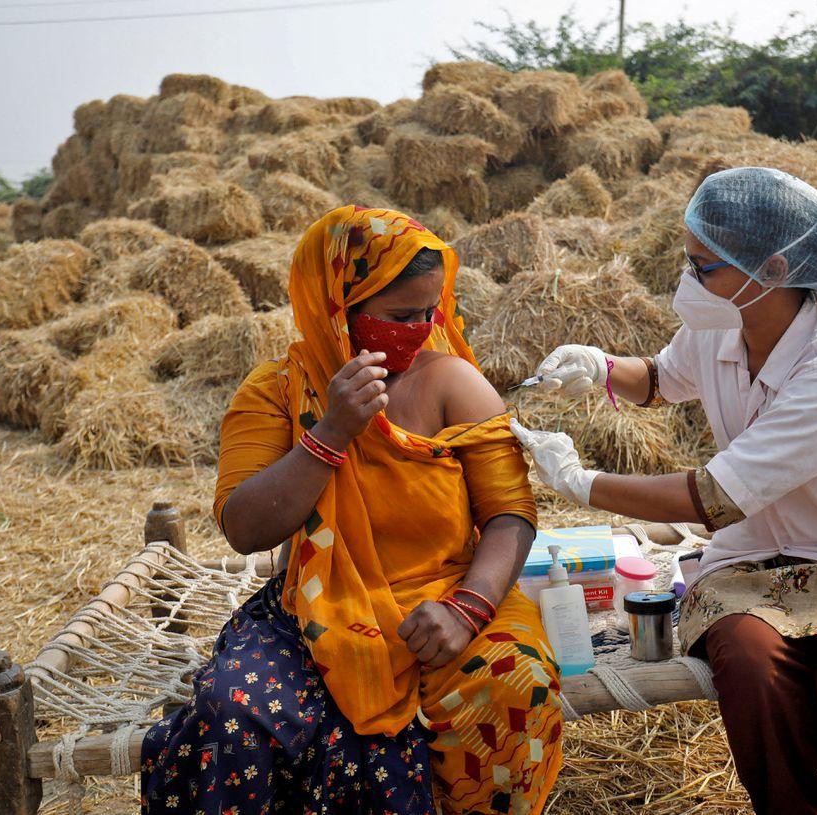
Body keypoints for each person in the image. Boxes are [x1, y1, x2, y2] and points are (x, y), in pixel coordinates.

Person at [510, 167, 817, 815]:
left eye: (704, 266)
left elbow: (714, 497)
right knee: (754, 670)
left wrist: (580, 483)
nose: (688, 281)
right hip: (747, 560)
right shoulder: (721, 323)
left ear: (774, 269)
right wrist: (598, 367)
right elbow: (660, 379)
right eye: (688, 261)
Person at [141, 206, 563, 815]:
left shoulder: (454, 383)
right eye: (398, 317)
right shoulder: (277, 391)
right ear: (337, 304)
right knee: (235, 710)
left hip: (449, 597)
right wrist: (331, 431)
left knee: (517, 685)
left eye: (429, 312)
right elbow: (244, 527)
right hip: (318, 607)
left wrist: (467, 610)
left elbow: (511, 515)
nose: (418, 330)